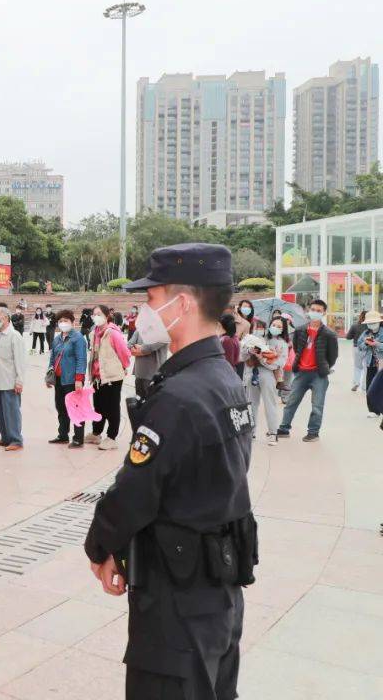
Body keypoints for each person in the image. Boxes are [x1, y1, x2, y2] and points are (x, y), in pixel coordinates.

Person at [83, 242, 255, 699]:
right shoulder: (225, 380)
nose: (145, 310)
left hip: (176, 605)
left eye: (152, 299)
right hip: (217, 594)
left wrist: (100, 545)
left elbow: (135, 490)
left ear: (182, 304)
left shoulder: (181, 396)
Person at [276, 299, 338, 442]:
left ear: (324, 313)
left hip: (319, 375)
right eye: (313, 309)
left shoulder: (329, 334)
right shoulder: (300, 330)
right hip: (301, 373)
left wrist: (323, 366)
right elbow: (297, 349)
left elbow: (332, 357)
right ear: (308, 311)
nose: (315, 312)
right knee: (291, 402)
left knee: (317, 406)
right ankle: (284, 428)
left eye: (319, 311)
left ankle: (313, 432)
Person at [84, 305, 131, 451]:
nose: (96, 316)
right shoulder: (94, 333)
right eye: (94, 314)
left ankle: (111, 437)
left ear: (106, 316)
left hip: (112, 376)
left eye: (99, 314)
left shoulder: (113, 333)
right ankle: (96, 433)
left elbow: (125, 353)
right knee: (98, 406)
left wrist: (124, 367)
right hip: (98, 376)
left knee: (112, 407)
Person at [244, 316, 289, 445]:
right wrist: (250, 350)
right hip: (253, 373)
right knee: (252, 403)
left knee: (270, 404)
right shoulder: (260, 339)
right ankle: (250, 432)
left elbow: (279, 363)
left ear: (283, 330)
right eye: (274, 324)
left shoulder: (283, 344)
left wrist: (262, 359)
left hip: (269, 375)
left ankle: (273, 433)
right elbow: (244, 357)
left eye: (279, 326)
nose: (276, 327)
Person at [47, 310, 87, 447]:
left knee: (75, 409)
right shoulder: (57, 339)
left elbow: (81, 359)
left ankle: (78, 438)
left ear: (72, 322)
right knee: (61, 407)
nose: (63, 323)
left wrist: (79, 379)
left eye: (66, 321)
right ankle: (63, 435)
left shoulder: (78, 338)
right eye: (60, 321)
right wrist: (49, 374)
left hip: (72, 379)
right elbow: (52, 358)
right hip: (59, 379)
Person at [0, 307, 26, 451]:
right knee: (1, 412)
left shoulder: (14, 336)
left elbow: (20, 361)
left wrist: (19, 380)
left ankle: (16, 440)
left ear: (5, 318)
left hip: (10, 381)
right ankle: (5, 437)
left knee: (11, 411)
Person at [126, 328, 168, 399]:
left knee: (151, 405)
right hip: (139, 373)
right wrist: (144, 350)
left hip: (154, 375)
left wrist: (140, 349)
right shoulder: (140, 329)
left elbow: (149, 348)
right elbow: (129, 345)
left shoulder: (163, 332)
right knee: (139, 403)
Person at [356, 310, 383, 413]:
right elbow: (359, 346)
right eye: (369, 323)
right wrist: (366, 344)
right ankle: (373, 411)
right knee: (370, 388)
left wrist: (376, 344)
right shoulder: (365, 333)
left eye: (374, 322)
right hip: (370, 363)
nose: (372, 325)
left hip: (381, 363)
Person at [347, 310, 368, 391]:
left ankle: (356, 383)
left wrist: (355, 335)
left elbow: (348, 337)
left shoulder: (355, 326)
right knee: (367, 367)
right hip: (368, 348)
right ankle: (365, 386)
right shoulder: (370, 326)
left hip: (357, 348)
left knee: (357, 366)